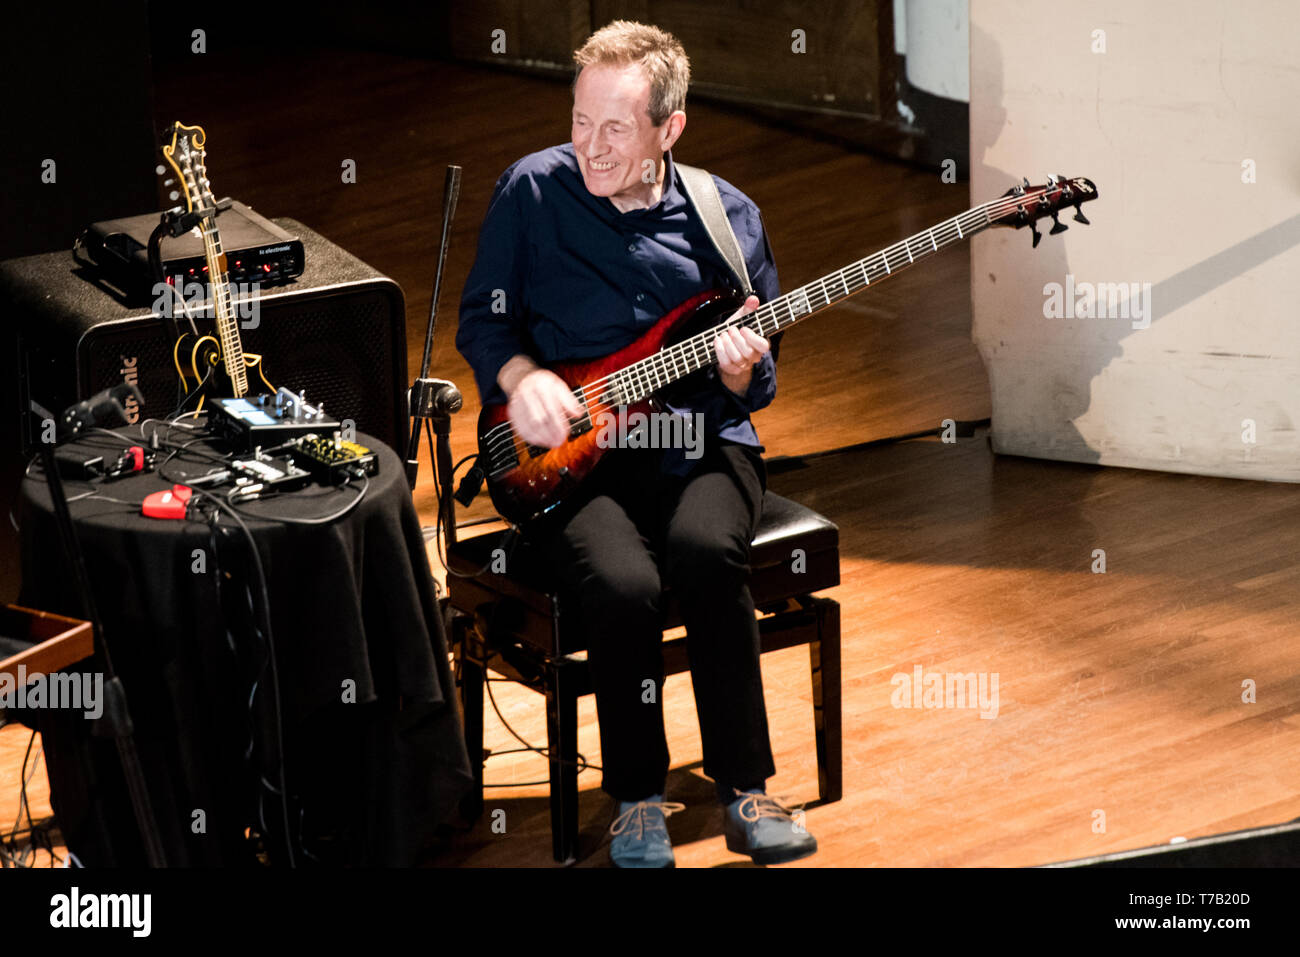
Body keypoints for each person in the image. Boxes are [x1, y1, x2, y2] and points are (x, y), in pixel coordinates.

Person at [456, 20, 817, 868]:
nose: (590, 144)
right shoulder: (532, 192)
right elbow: (484, 319)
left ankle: (747, 785)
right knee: (623, 585)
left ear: (669, 127)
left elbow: (760, 384)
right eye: (581, 120)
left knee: (704, 553)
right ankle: (638, 799)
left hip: (699, 439)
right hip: (573, 457)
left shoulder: (727, 219)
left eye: (615, 127)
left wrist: (736, 375)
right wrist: (520, 378)